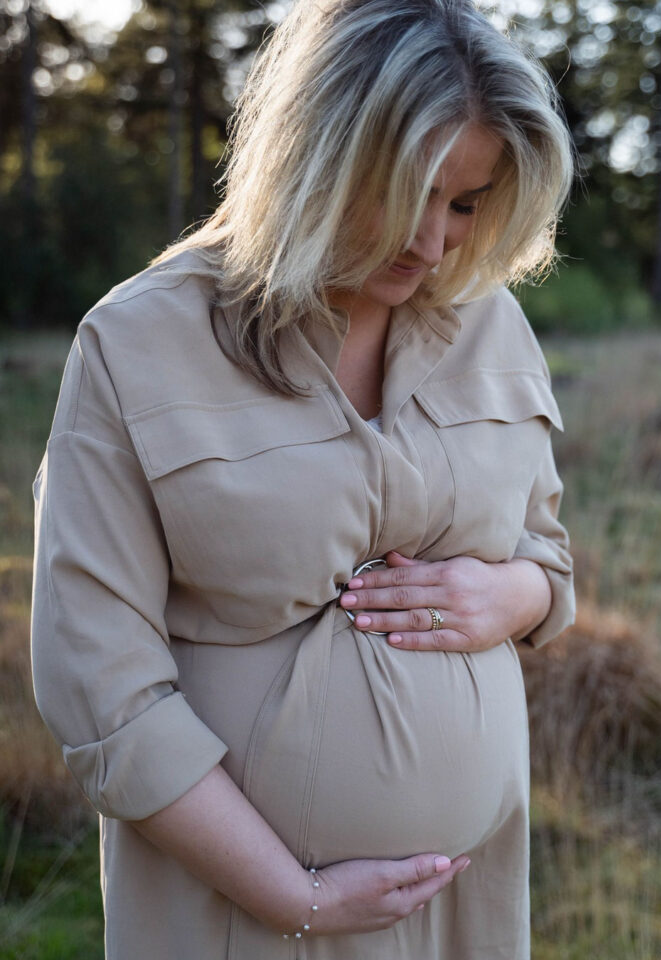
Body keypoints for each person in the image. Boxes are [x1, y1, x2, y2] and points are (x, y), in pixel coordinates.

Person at [30, 1, 575, 957]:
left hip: (464, 906)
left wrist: (511, 595)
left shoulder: (491, 325)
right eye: (407, 193)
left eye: (465, 202)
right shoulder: (137, 344)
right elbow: (99, 683)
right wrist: (296, 895)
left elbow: (548, 555)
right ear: (317, 155)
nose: (436, 242)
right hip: (239, 909)